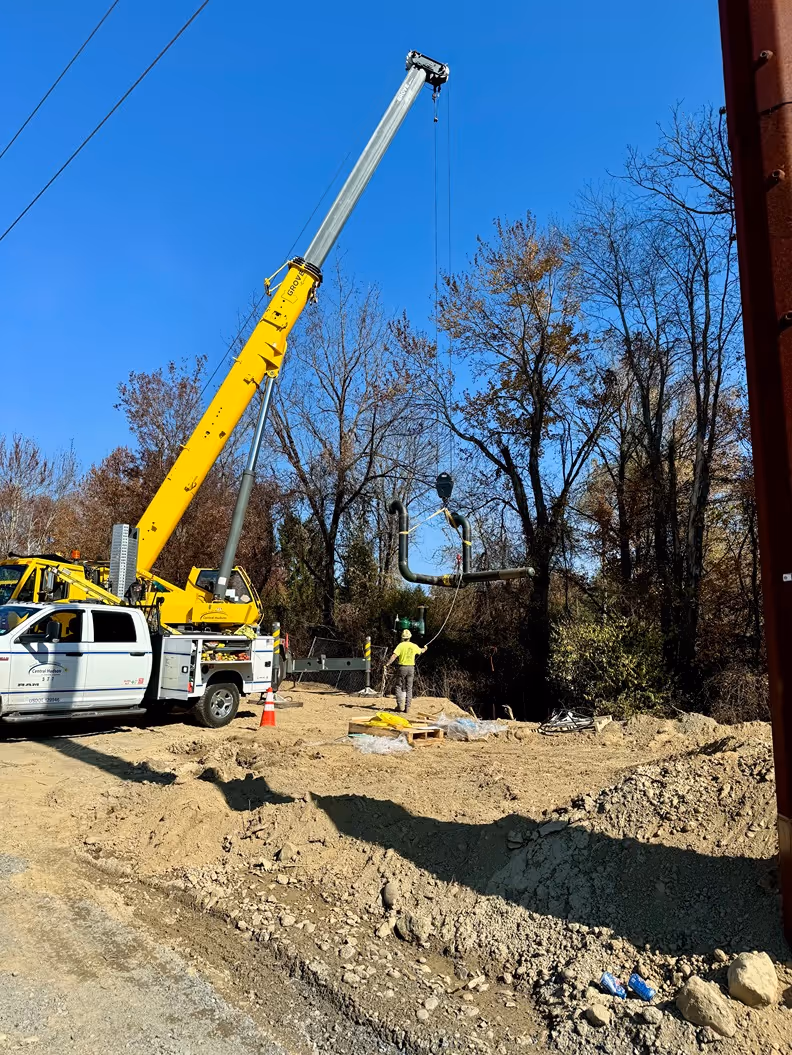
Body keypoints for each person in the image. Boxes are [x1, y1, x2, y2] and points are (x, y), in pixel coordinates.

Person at [384, 629, 427, 714]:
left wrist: (387, 664)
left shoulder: (400, 645)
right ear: (410, 637)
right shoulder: (413, 645)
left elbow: (394, 656)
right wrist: (425, 648)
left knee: (398, 686)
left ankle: (400, 706)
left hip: (402, 668)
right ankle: (407, 708)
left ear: (402, 637)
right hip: (411, 668)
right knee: (409, 688)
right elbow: (421, 651)